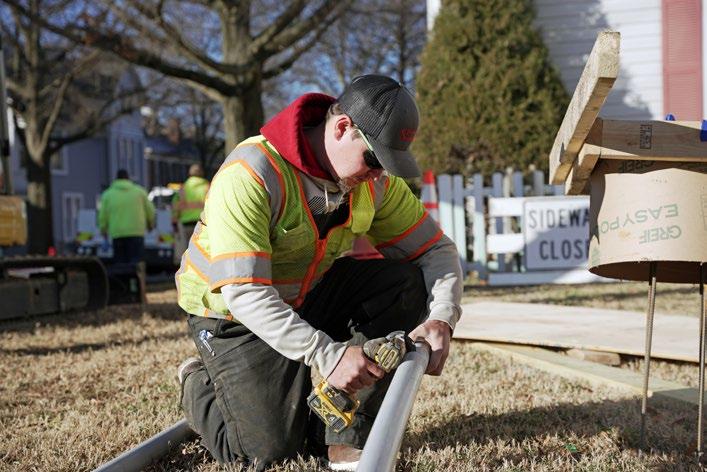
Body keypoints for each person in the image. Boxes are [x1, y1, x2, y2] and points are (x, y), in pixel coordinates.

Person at [175, 75, 463, 471]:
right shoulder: (251, 172)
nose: (378, 175)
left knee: (402, 284)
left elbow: (435, 250)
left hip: (306, 294)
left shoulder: (372, 182)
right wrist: (327, 354)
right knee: (268, 454)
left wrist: (441, 317)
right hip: (232, 315)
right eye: (374, 160)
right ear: (342, 127)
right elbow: (245, 293)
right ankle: (198, 383)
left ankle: (343, 435)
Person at [98, 169, 155, 264]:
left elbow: (102, 216)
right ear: (128, 179)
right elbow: (150, 211)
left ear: (116, 179)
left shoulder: (108, 194)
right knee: (137, 263)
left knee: (120, 263)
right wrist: (150, 224)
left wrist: (103, 230)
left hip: (117, 234)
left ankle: (123, 273)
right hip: (136, 233)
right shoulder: (140, 192)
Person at [171, 163, 209, 241]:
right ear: (202, 173)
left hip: (187, 223)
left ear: (190, 173)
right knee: (203, 246)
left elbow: (176, 206)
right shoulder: (207, 186)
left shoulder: (183, 188)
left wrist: (174, 221)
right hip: (203, 222)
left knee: (189, 245)